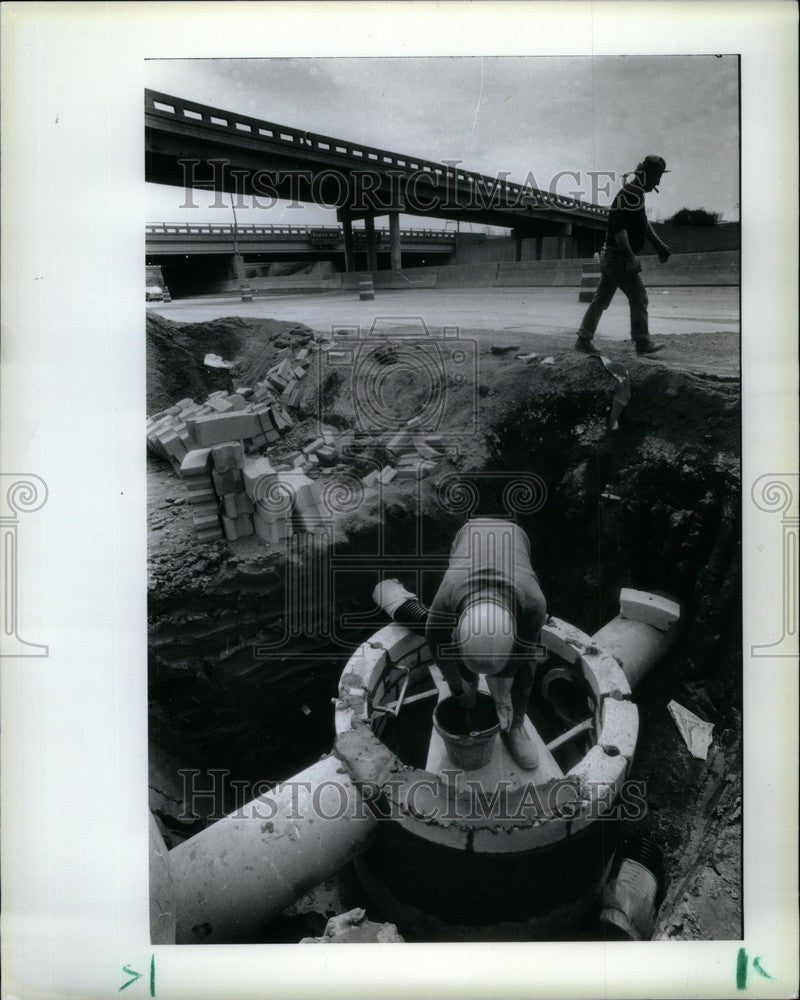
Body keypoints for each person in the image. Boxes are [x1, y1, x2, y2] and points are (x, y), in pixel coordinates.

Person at [372, 517, 547, 770]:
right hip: (471, 534)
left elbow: (521, 657)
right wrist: (457, 684)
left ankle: (515, 726)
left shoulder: (533, 605)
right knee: (452, 643)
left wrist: (503, 695)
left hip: (514, 538)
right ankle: (470, 690)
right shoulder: (446, 602)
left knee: (525, 664)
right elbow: (438, 642)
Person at [575, 155, 672, 356]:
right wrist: (629, 258)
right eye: (657, 177)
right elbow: (619, 231)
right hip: (618, 257)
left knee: (601, 299)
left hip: (612, 257)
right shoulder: (628, 194)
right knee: (639, 298)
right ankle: (642, 342)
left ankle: (583, 339)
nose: (658, 183)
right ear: (646, 175)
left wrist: (659, 245)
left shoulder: (636, 194)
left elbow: (643, 224)